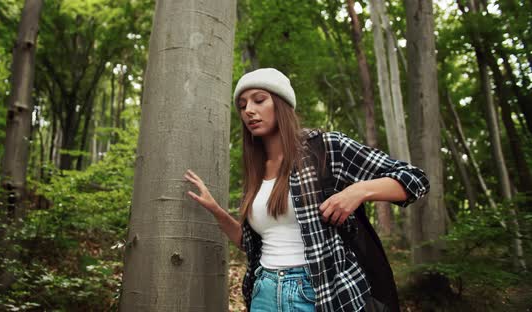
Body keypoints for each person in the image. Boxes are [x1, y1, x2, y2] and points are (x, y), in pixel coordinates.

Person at [184, 68, 429, 312]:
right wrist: (216, 210)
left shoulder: (326, 148)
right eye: (242, 105)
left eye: (259, 100)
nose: (249, 110)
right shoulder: (256, 170)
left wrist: (357, 191)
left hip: (320, 295)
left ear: (281, 104)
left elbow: (414, 179)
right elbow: (251, 245)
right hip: (264, 293)